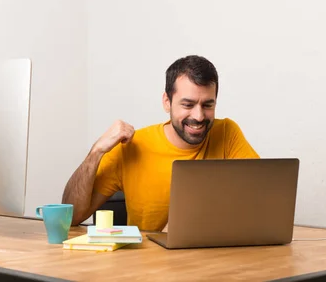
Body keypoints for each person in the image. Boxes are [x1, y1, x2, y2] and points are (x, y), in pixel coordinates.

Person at [61, 55, 259, 231]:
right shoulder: (131, 146)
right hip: (149, 267)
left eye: (208, 105)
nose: (199, 116)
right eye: (187, 105)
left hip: (214, 263)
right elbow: (70, 218)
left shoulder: (227, 133)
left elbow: (261, 199)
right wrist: (96, 151)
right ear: (167, 102)